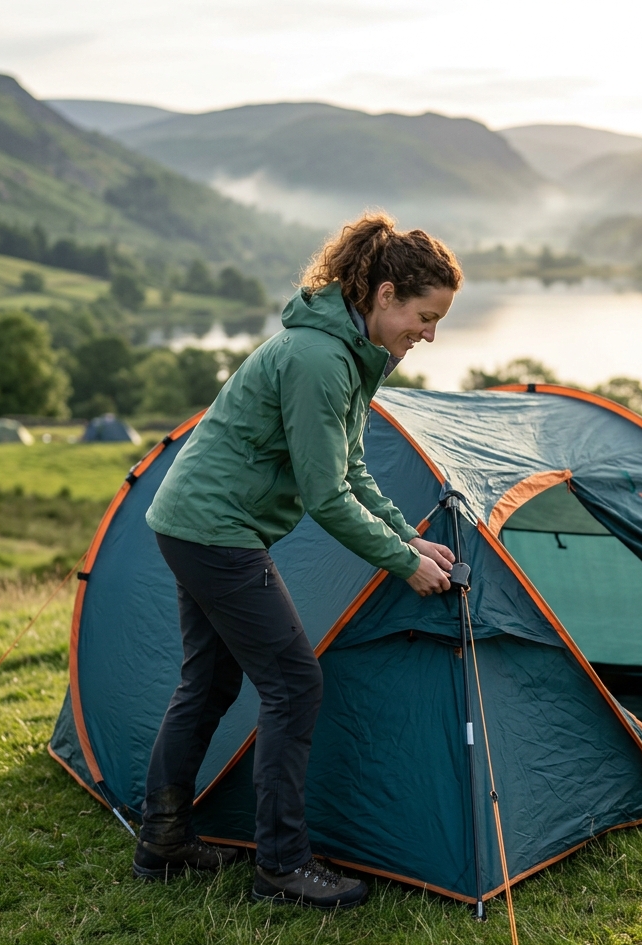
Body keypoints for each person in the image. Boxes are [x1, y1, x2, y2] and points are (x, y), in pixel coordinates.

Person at [133, 213, 462, 908]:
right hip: (215, 530)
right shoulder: (319, 360)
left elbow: (354, 469)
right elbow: (326, 495)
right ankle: (282, 867)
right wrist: (402, 564)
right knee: (294, 683)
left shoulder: (346, 353)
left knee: (210, 682)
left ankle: (163, 841)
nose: (428, 335)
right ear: (384, 294)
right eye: (425, 316)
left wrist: (407, 534)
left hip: (199, 524)